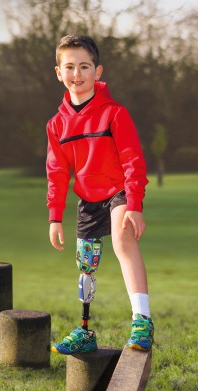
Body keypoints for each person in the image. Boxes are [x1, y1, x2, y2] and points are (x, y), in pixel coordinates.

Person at [46, 34, 153, 354]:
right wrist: (54, 217)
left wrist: (134, 205)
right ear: (58, 73)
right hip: (88, 200)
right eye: (70, 67)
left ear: (98, 71)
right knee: (86, 263)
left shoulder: (114, 114)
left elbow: (134, 161)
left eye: (84, 66)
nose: (76, 74)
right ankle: (84, 330)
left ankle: (142, 322)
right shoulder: (56, 125)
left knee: (123, 240)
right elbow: (56, 173)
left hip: (118, 191)